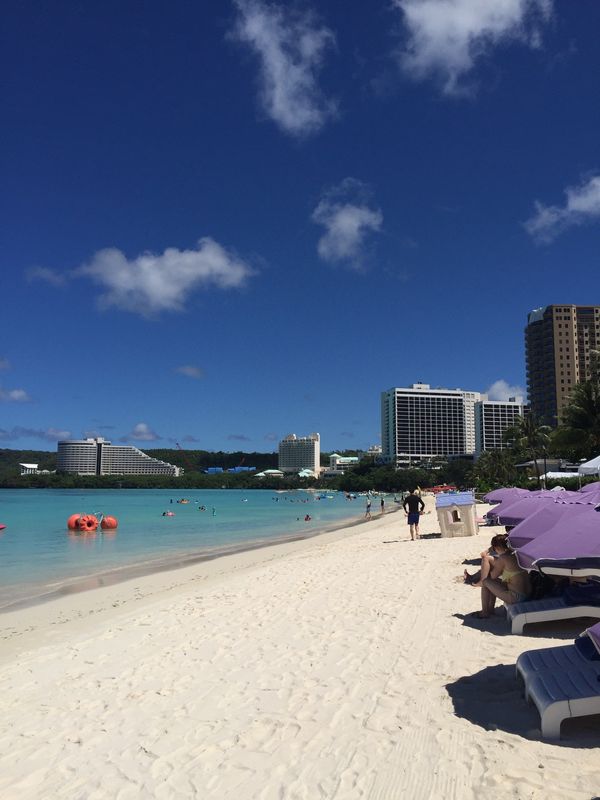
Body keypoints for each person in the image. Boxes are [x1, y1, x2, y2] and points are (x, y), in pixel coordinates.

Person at [466, 534, 531, 619]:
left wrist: (488, 569)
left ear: (497, 547)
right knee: (490, 582)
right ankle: (490, 610)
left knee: (485, 581)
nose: (494, 551)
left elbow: (493, 576)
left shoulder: (503, 558)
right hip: (528, 593)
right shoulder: (516, 553)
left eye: (494, 549)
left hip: (517, 597)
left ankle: (485, 612)